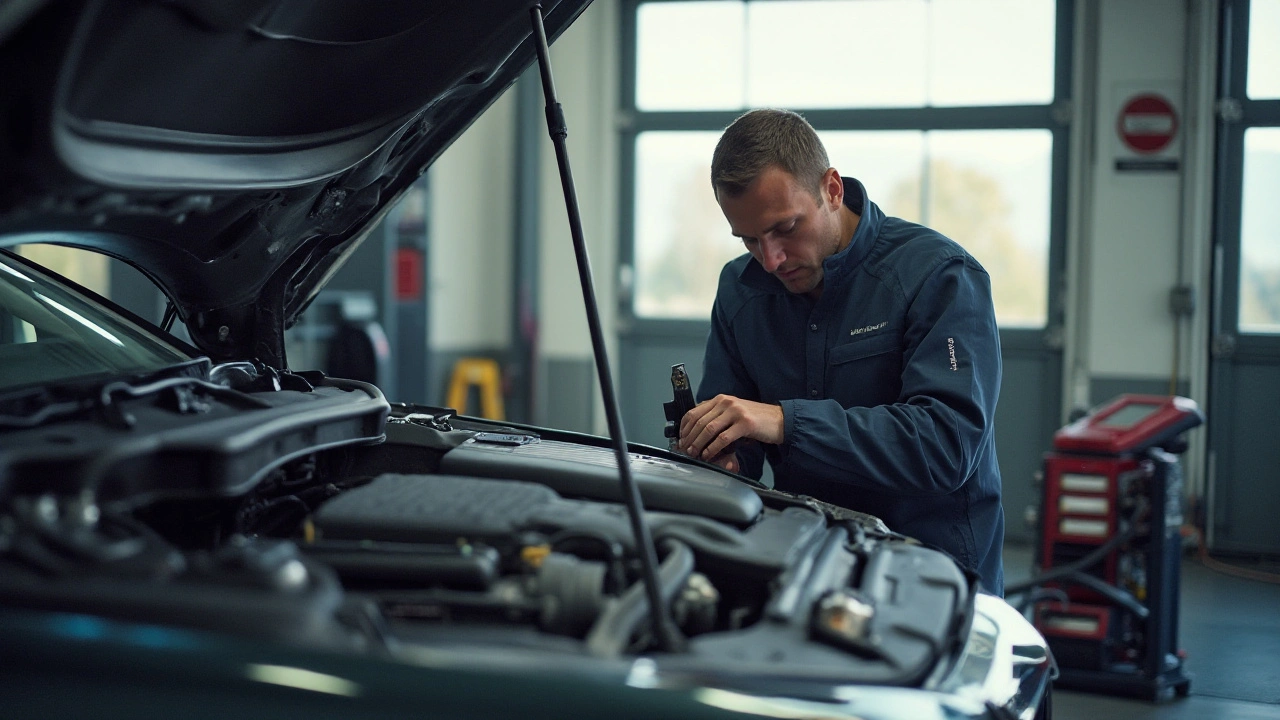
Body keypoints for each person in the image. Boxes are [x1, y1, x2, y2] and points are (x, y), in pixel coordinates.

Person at [677, 109, 1005, 594]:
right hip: (802, 568)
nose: (771, 259)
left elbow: (945, 447)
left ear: (831, 189)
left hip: (933, 581)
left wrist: (784, 421)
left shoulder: (938, 277)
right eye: (749, 239)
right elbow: (738, 431)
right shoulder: (740, 290)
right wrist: (726, 458)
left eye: (786, 227)